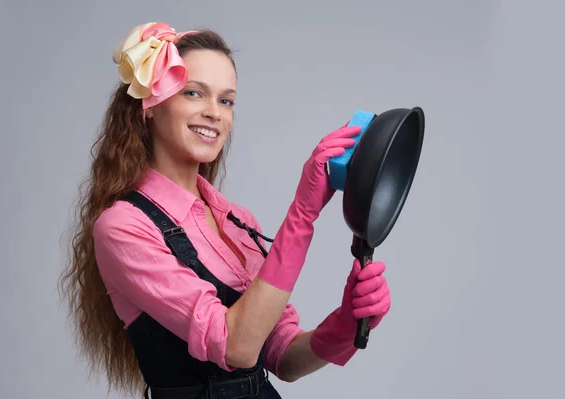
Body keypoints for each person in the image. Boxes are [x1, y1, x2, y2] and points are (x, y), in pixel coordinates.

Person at [59, 21, 392, 399]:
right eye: (194, 93)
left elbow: (280, 355)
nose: (214, 113)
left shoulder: (237, 222)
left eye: (226, 100)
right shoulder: (123, 227)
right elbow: (237, 346)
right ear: (148, 107)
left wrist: (345, 325)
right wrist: (303, 213)